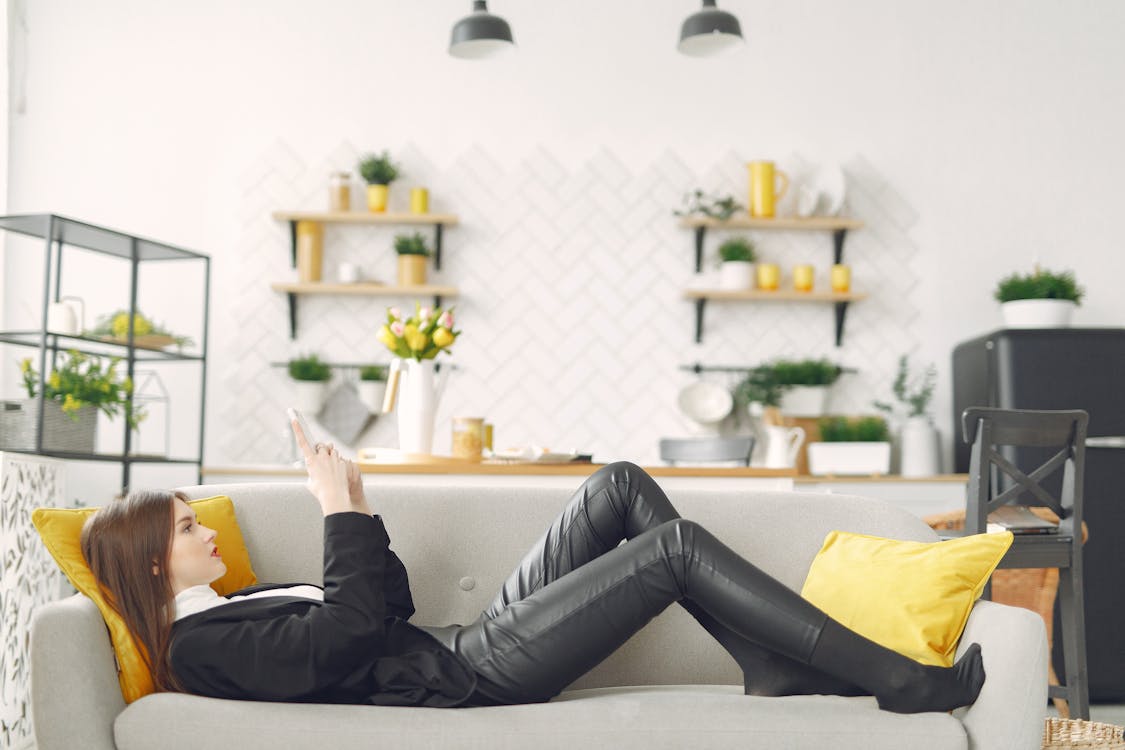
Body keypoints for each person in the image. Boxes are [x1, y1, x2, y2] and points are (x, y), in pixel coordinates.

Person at [79, 418, 986, 712]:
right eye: (188, 527)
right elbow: (345, 639)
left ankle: (768, 664)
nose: (206, 534)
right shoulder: (198, 653)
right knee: (671, 549)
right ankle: (895, 678)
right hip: (472, 675)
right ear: (153, 566)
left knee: (620, 486)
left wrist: (356, 500)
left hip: (456, 639)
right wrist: (335, 511)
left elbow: (379, 603)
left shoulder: (232, 599)